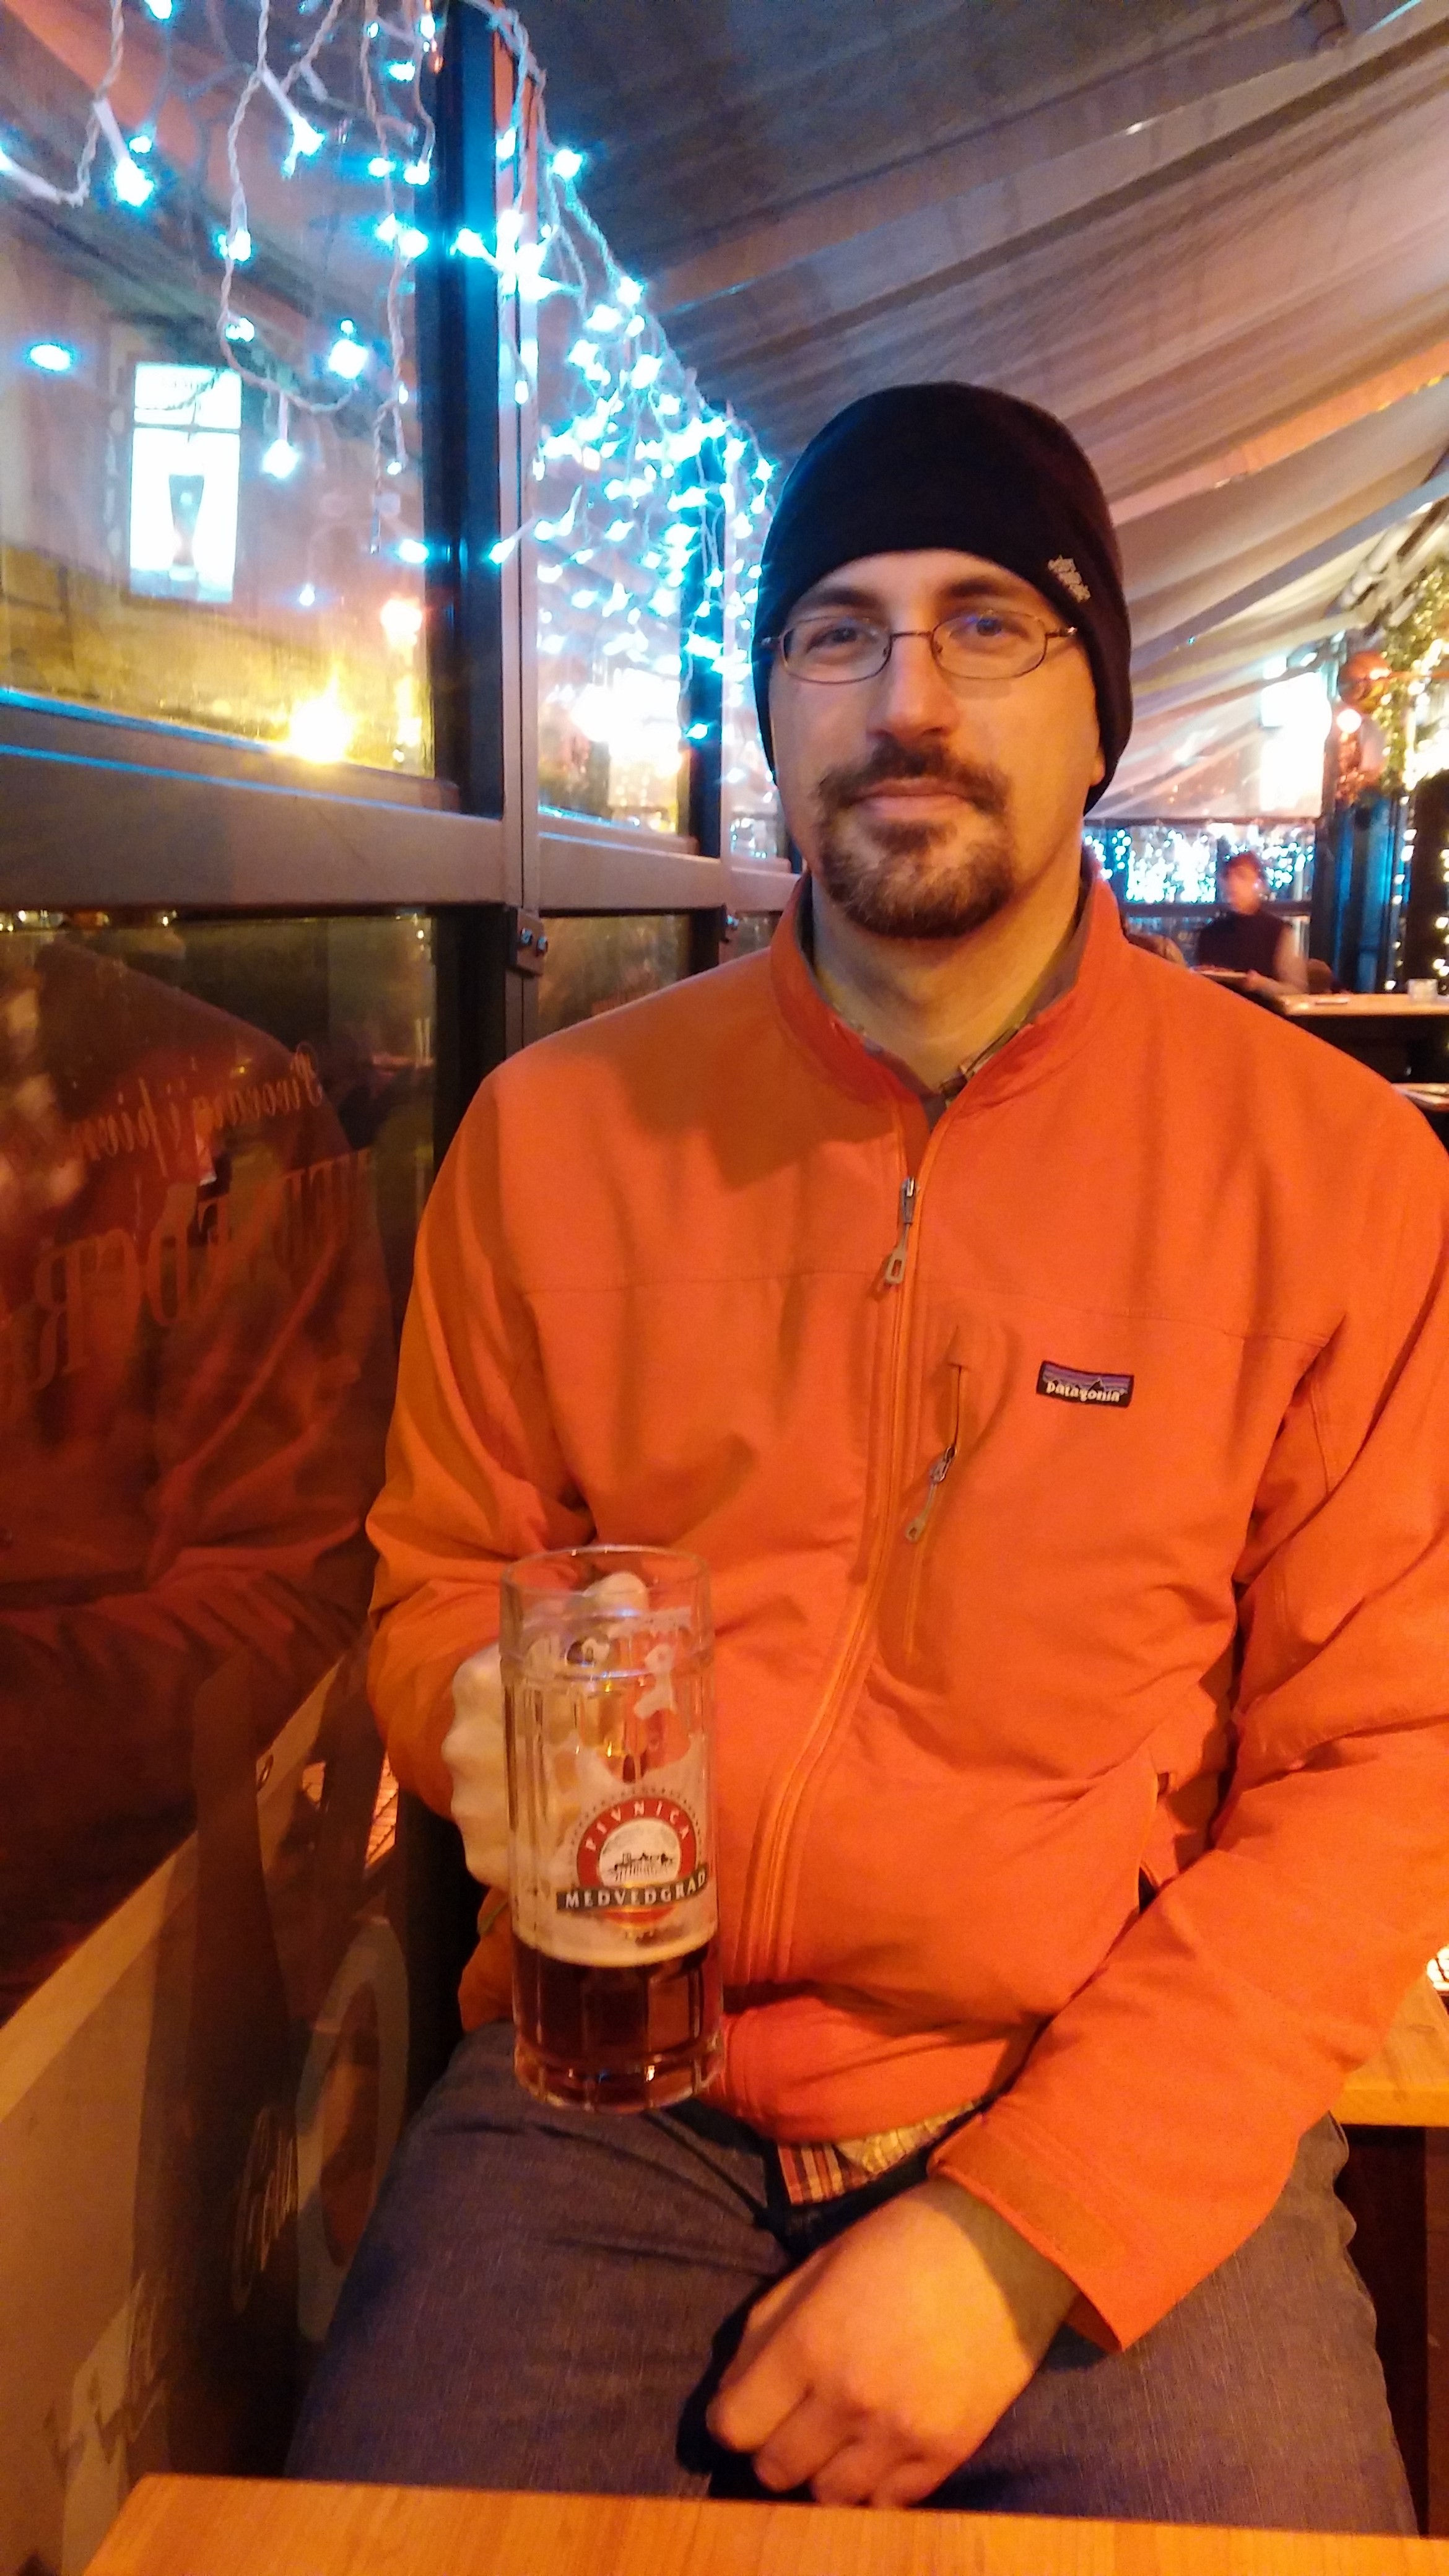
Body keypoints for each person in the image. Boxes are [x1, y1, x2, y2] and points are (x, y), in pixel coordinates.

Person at [289, 384, 1449, 2532]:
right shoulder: (555, 1136)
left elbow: (1384, 1767)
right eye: (837, 632)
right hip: (601, 2099)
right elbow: (441, 1582)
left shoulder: (1333, 1178)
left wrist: (1021, 2231)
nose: (907, 698)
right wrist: (496, 1728)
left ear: (1100, 716)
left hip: (1102, 2091)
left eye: (989, 623)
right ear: (771, 713)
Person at [1194, 849, 1308, 995]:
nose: (1233, 883)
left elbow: (1297, 992)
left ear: (1259, 885)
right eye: (1229, 877)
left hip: (1263, 1009)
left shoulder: (1278, 932)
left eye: (1242, 877)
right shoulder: (1210, 934)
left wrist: (1261, 984)